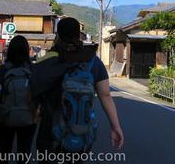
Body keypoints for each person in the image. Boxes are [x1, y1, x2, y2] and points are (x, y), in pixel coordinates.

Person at [34, 17, 124, 162]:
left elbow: (34, 91)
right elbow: (105, 95)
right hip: (79, 130)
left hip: (50, 130)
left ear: (58, 34)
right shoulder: (92, 60)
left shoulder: (47, 60)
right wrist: (115, 126)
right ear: (79, 34)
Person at [0, 35, 37, 164]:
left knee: (3, 153)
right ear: (26, 50)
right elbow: (40, 93)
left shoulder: (4, 69)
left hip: (6, 117)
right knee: (24, 153)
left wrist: (1, 97)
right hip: (28, 117)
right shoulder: (32, 69)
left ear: (10, 50)